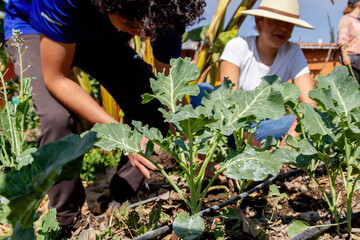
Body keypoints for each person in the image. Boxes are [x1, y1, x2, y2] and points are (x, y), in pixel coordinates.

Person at [3, 0, 205, 235]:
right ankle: (65, 222)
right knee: (57, 118)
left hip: (101, 35)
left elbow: (170, 88)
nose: (141, 33)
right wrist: (121, 135)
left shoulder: (167, 10)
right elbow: (55, 77)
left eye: (148, 29)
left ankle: (122, 201)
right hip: (35, 29)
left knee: (152, 104)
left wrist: (193, 143)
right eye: (132, 25)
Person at [218, 0, 316, 144]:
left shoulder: (293, 52)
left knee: (313, 120)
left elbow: (310, 103)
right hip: (232, 124)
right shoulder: (238, 46)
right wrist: (260, 151)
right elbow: (228, 104)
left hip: (265, 126)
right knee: (206, 92)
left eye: (289, 23)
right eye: (276, 21)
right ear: (259, 22)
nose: (283, 28)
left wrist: (289, 141)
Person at [338, 0, 360, 83]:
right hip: (352, 60)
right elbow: (342, 40)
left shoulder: (358, 21)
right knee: (353, 87)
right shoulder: (346, 19)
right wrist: (345, 56)